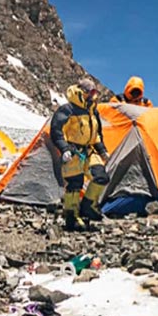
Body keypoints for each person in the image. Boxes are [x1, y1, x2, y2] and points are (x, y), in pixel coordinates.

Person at [50, 78, 110, 231]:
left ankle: (88, 206)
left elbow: (96, 134)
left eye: (94, 92)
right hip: (73, 151)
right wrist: (64, 148)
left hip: (89, 151)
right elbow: (57, 131)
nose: (93, 95)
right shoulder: (67, 110)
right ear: (81, 92)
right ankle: (72, 217)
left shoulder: (93, 111)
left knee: (101, 176)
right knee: (74, 184)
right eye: (90, 92)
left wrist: (102, 150)